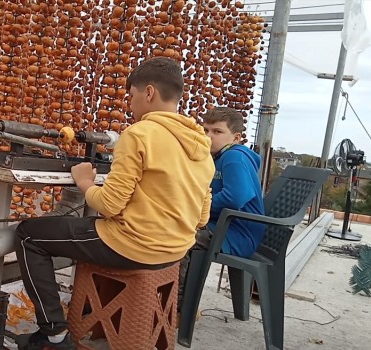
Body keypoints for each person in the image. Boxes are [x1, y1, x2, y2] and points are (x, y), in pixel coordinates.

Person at [14, 57, 215, 350]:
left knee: (29, 234)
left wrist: (84, 182)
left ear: (148, 93)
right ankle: (91, 315)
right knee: (74, 231)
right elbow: (202, 217)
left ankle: (53, 334)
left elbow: (110, 206)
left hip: (133, 246)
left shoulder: (139, 134)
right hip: (174, 251)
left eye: (131, 97)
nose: (130, 105)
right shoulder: (201, 146)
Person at [178, 107, 266, 308]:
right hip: (222, 228)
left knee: (178, 238)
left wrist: (195, 208)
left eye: (217, 132)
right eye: (205, 130)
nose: (209, 137)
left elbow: (236, 197)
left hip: (236, 234)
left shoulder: (235, 157)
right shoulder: (218, 158)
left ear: (236, 138)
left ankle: (179, 307)